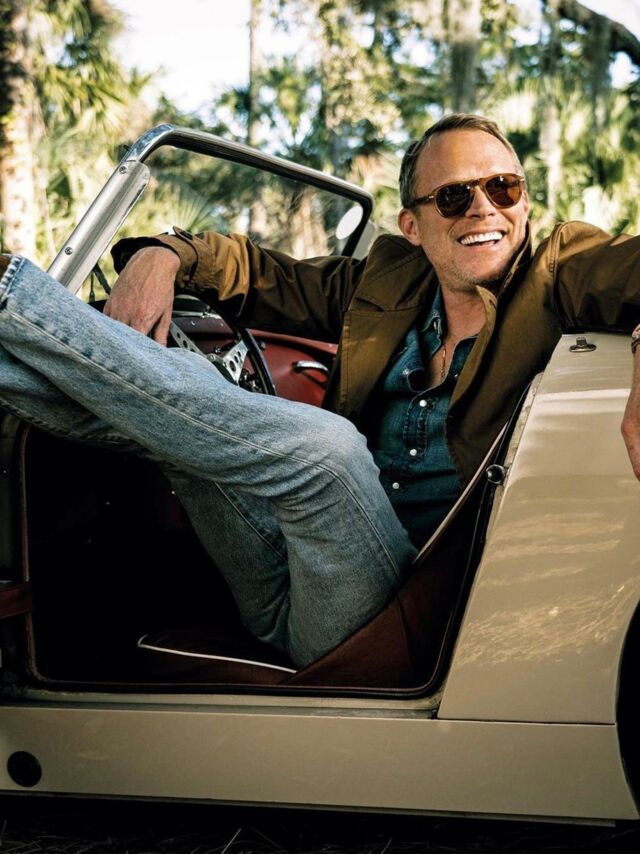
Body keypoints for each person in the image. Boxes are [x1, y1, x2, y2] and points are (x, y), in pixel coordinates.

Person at [1, 113, 640, 669]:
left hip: (398, 615)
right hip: (282, 580)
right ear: (413, 226)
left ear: (524, 201)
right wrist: (166, 254)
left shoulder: (559, 272)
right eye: (453, 196)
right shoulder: (390, 284)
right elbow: (261, 275)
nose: (483, 208)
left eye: (503, 187)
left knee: (327, 454)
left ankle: (10, 293)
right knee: (174, 391)